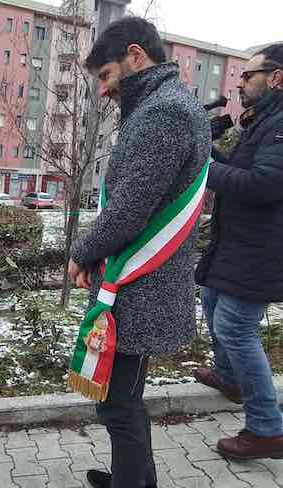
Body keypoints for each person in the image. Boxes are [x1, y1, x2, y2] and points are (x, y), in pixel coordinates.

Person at [67, 18, 211, 488]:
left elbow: (129, 209)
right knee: (125, 400)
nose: (104, 90)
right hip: (143, 283)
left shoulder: (162, 113)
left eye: (106, 76)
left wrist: (81, 251)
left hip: (139, 288)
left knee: (119, 404)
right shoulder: (166, 104)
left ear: (135, 56)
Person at [193, 44, 283, 460]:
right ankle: (230, 377)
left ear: (277, 78)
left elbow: (264, 183)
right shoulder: (266, 122)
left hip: (261, 248)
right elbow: (244, 170)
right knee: (211, 297)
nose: (240, 82)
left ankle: (266, 428)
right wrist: (206, 151)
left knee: (236, 329)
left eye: (248, 75)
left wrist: (203, 169)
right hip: (240, 243)